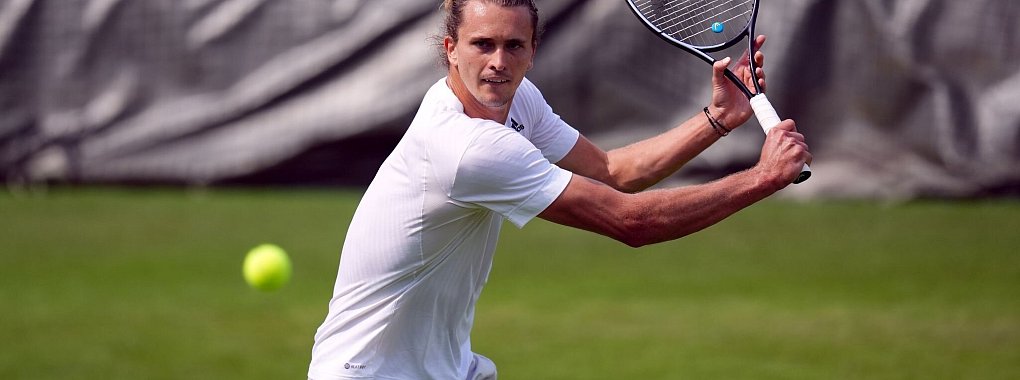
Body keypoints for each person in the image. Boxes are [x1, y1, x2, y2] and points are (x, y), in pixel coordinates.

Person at [308, 0, 811, 379]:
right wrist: (762, 177)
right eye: (482, 44)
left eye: (514, 46)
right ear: (450, 49)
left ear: (533, 51)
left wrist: (717, 120)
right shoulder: (467, 148)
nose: (498, 63)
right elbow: (632, 222)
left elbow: (614, 169)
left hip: (442, 366)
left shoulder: (516, 99)